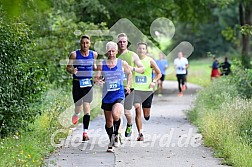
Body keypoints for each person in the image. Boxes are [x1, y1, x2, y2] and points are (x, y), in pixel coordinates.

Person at [95, 41, 132, 152]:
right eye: (109, 51)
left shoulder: (122, 63)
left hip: (118, 93)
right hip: (107, 96)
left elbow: (129, 73)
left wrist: (128, 86)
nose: (111, 53)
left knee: (116, 114)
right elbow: (96, 78)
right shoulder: (102, 64)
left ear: (116, 51)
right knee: (109, 122)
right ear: (107, 52)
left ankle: (116, 135)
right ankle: (111, 140)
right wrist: (99, 81)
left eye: (113, 51)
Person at [66, 35, 98, 142]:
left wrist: (99, 74)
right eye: (83, 43)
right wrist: (72, 71)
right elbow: (68, 67)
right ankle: (76, 114)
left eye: (87, 43)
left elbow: (94, 67)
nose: (85, 45)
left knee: (87, 106)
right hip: (77, 83)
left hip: (88, 83)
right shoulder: (74, 55)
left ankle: (85, 132)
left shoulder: (94, 54)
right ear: (80, 44)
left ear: (90, 44)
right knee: (78, 106)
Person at [116, 33, 145, 138]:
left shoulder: (132, 55)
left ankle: (129, 124)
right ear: (117, 43)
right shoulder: (114, 54)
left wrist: (132, 69)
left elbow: (142, 69)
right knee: (117, 111)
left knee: (127, 112)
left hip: (129, 87)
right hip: (116, 87)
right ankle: (117, 133)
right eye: (120, 42)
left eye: (124, 41)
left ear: (127, 43)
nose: (122, 43)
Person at [134, 42, 161, 141]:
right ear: (137, 50)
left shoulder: (150, 61)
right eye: (140, 48)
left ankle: (147, 115)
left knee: (146, 115)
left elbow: (159, 74)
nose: (141, 50)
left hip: (147, 91)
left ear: (146, 51)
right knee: (137, 110)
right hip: (136, 90)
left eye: (143, 49)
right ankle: (140, 133)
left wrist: (154, 81)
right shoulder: (134, 61)